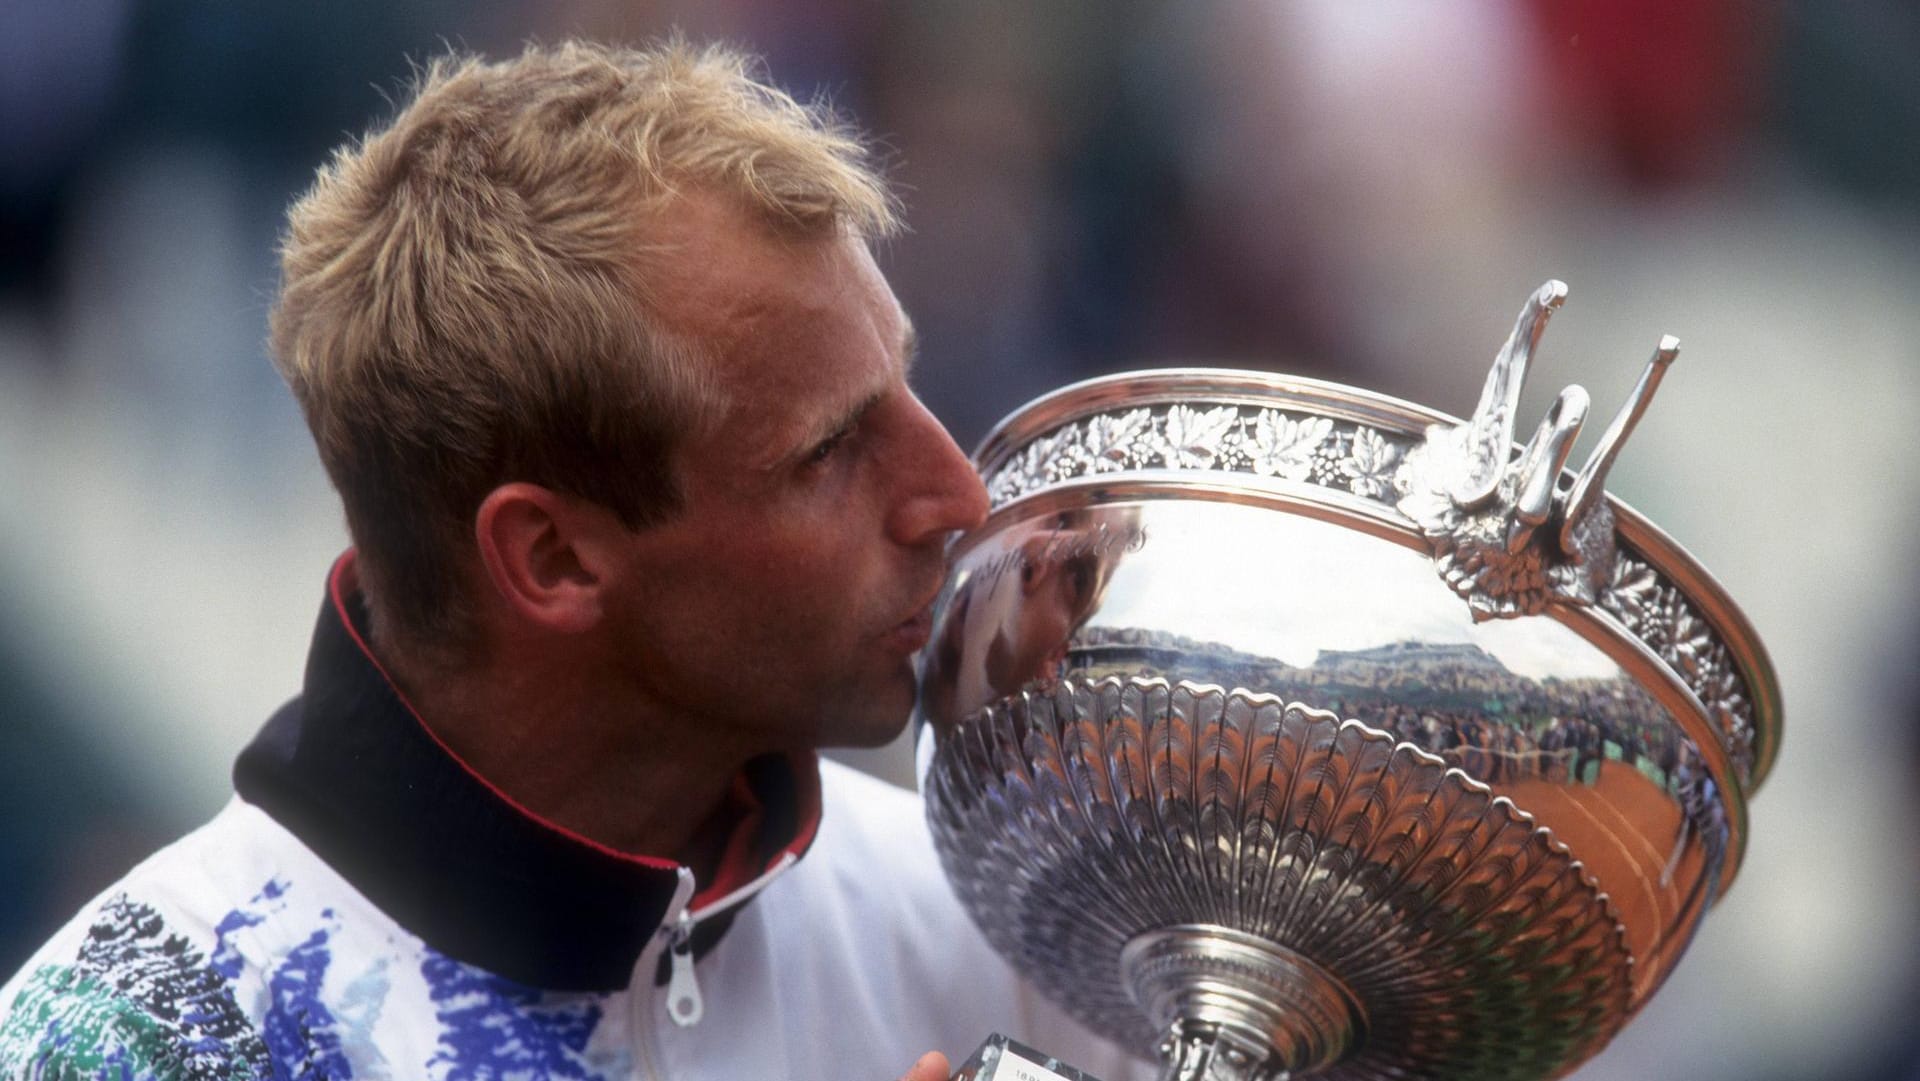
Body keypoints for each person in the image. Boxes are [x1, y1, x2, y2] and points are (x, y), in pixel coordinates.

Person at [0, 40, 1145, 1081]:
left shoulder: (1008, 912)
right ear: (550, 558)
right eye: (832, 449)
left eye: (904, 381)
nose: (955, 495)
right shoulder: (127, 1038)